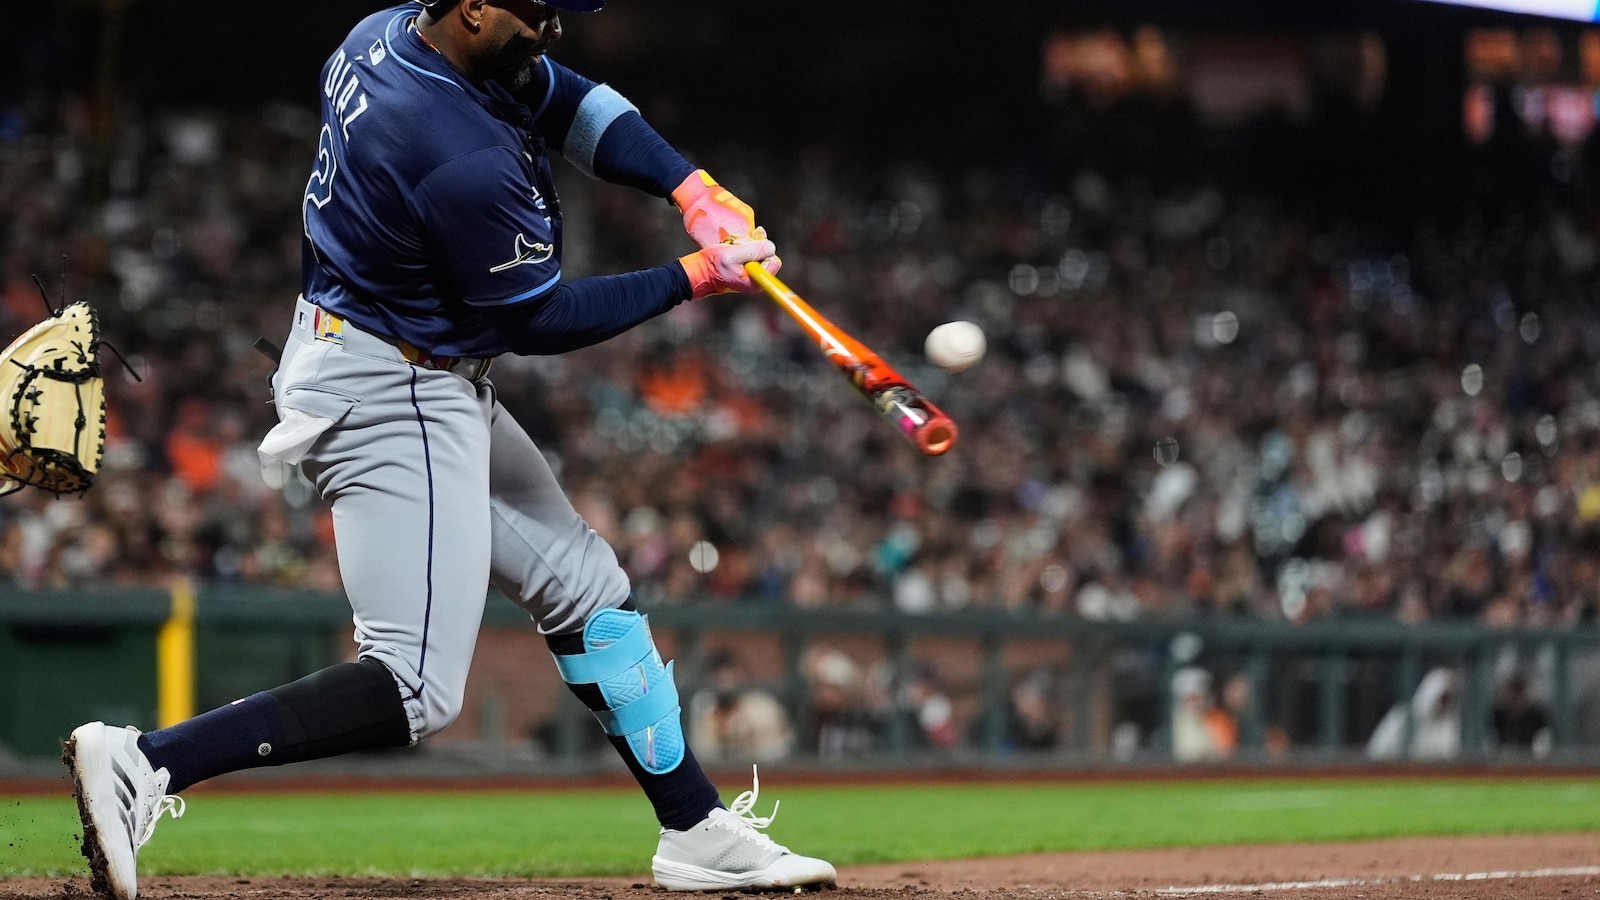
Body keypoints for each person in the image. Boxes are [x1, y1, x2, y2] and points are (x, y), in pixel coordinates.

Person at [61, 2, 836, 898]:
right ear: (473, 6)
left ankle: (697, 828)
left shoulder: (389, 30)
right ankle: (144, 763)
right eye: (535, 10)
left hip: (383, 350)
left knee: (586, 587)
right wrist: (694, 276)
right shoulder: (451, 148)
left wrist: (688, 188)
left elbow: (566, 100)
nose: (552, 27)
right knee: (416, 684)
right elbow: (532, 317)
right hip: (398, 386)